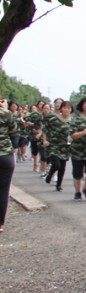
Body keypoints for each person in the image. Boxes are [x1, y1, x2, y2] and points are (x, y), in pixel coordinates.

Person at [42, 100, 73, 192]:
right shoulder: (54, 119)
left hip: (66, 146)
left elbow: (75, 133)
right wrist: (44, 139)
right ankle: (50, 174)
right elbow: (45, 129)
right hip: (54, 145)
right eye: (64, 108)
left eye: (68, 108)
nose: (66, 110)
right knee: (56, 164)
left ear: (71, 110)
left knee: (62, 167)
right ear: (61, 109)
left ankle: (59, 185)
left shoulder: (73, 121)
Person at [0, 96, 17, 234]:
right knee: (3, 190)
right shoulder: (6, 113)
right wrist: (4, 110)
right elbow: (13, 129)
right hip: (5, 155)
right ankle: (0, 223)